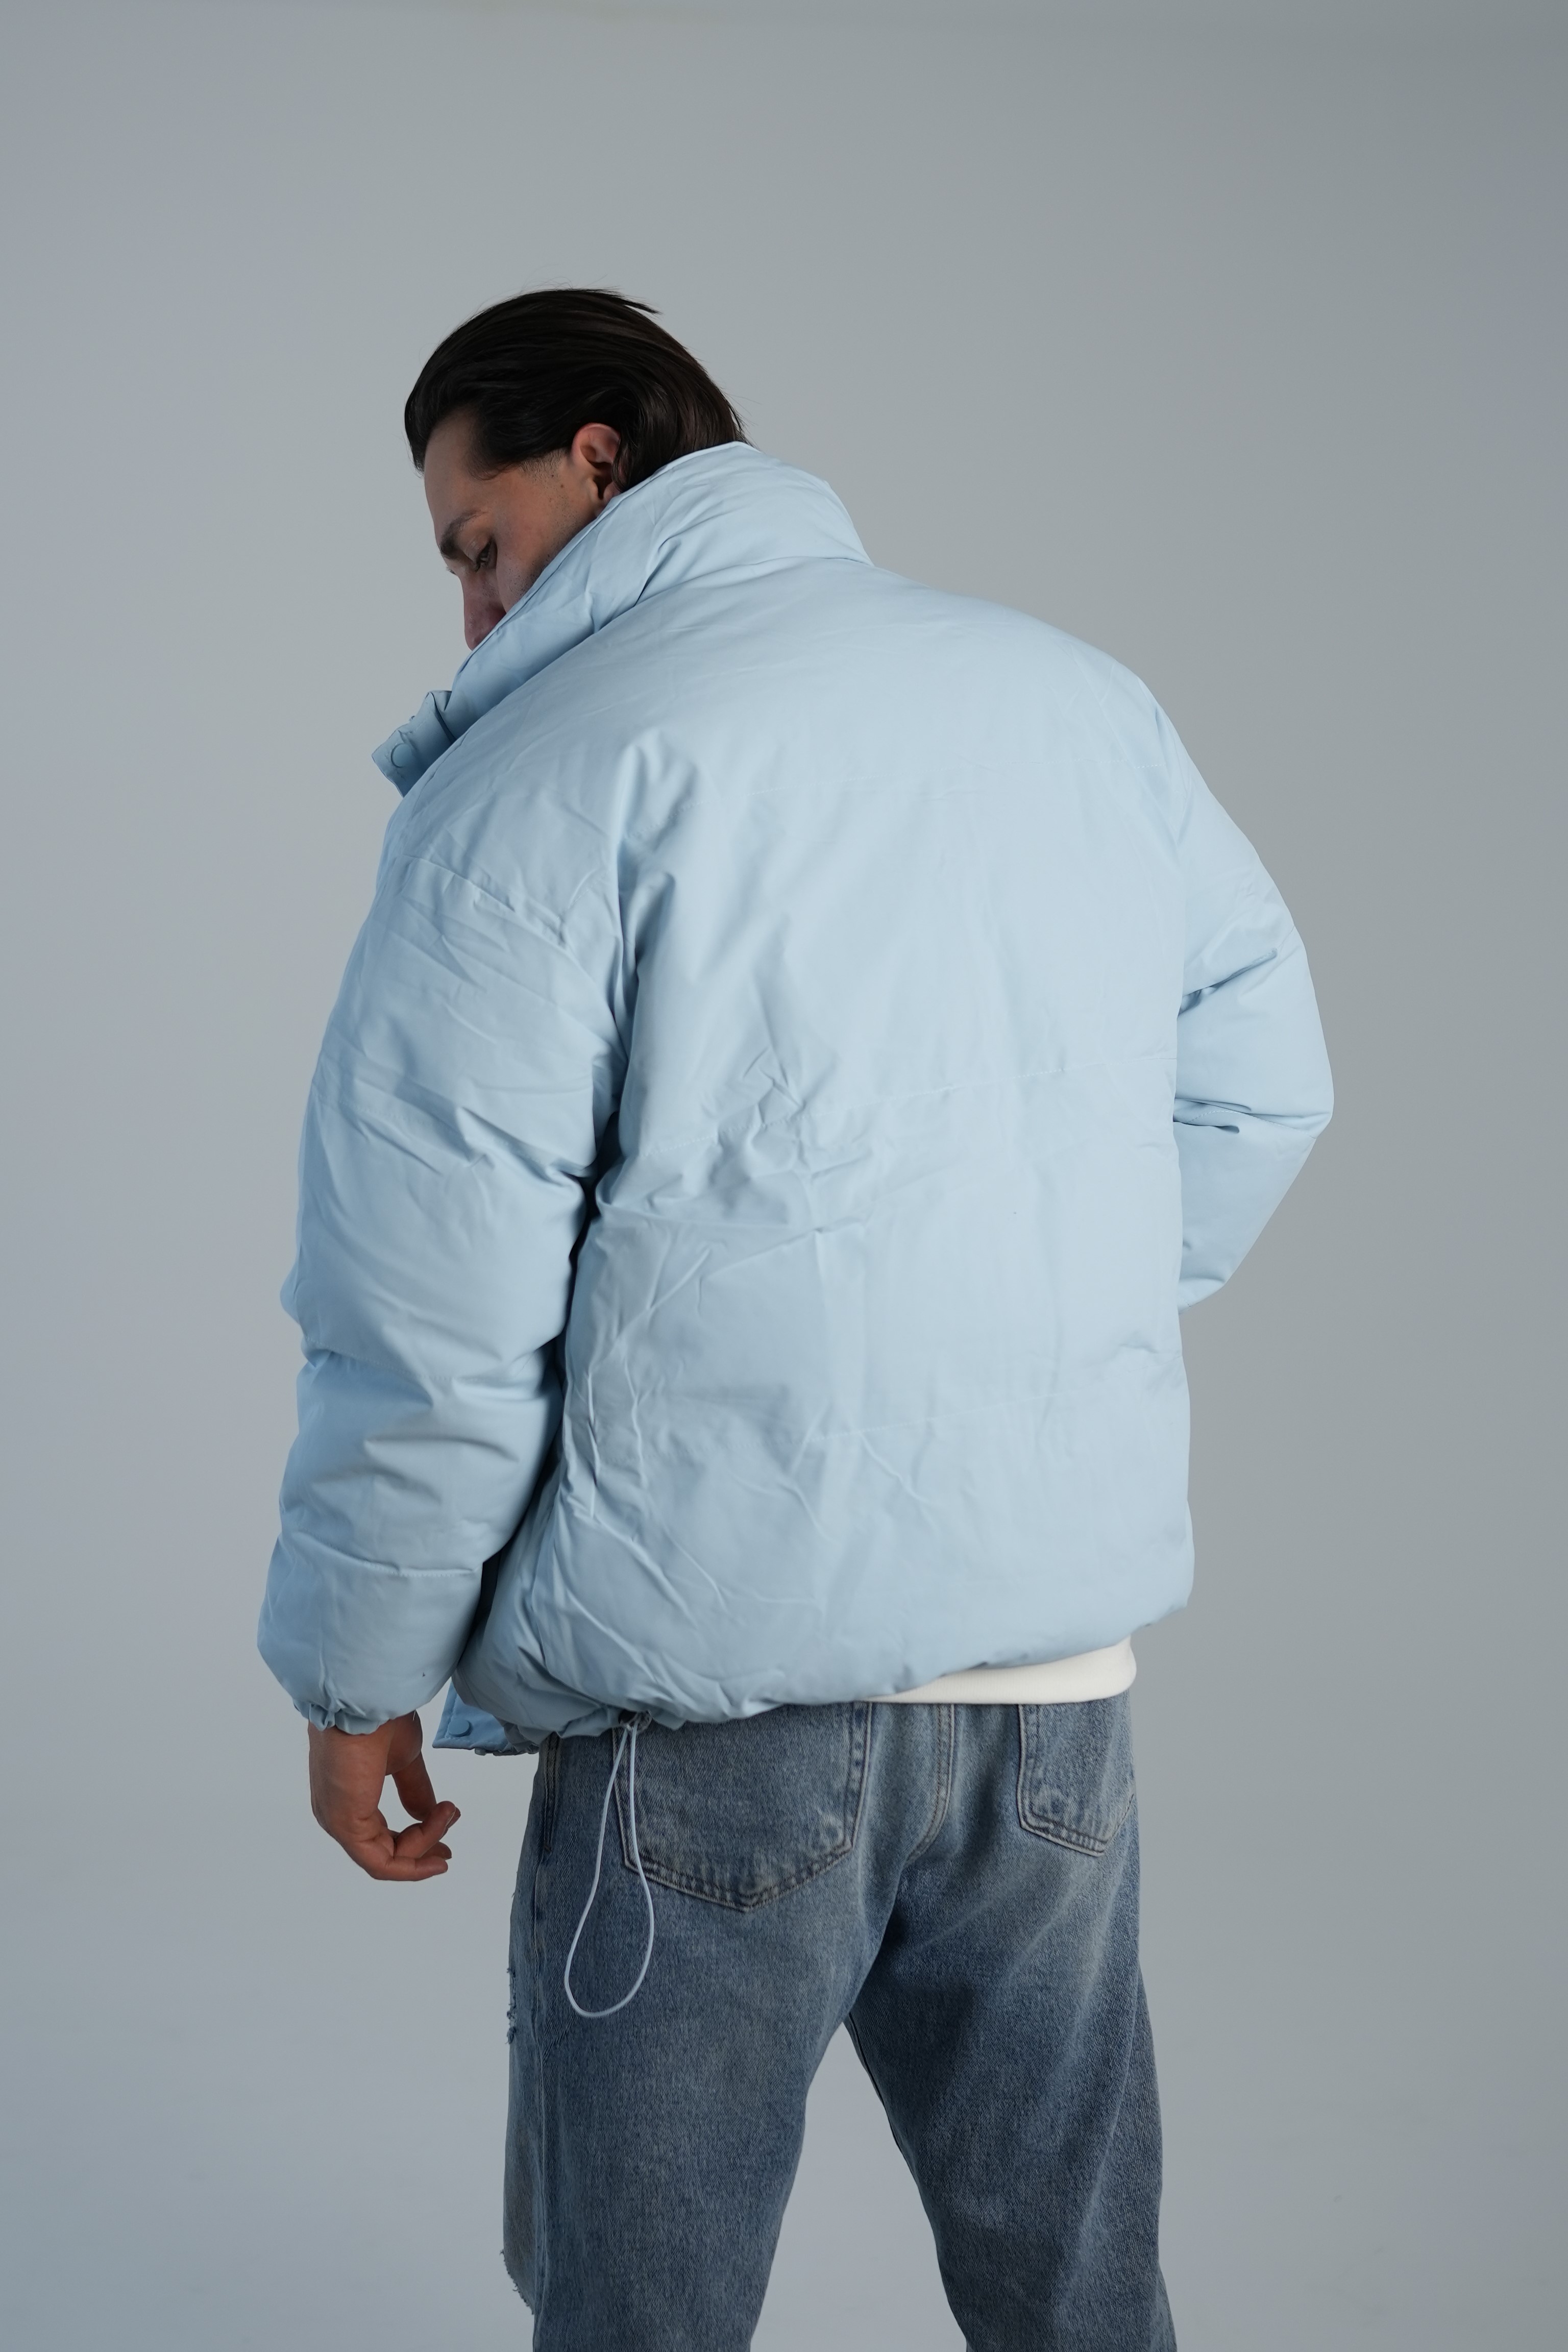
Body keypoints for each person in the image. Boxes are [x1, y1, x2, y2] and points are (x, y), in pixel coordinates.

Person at [259, 287, 1332, 2350]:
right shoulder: (1075, 704)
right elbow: (1263, 1088)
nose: (469, 616)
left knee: (641, 2318)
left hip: (710, 1708)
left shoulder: (540, 778)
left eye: (478, 545)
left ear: (598, 458)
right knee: (1082, 2306)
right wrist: (1015, 1337)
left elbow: (435, 1303)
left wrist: (358, 1665)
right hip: (1051, 1694)